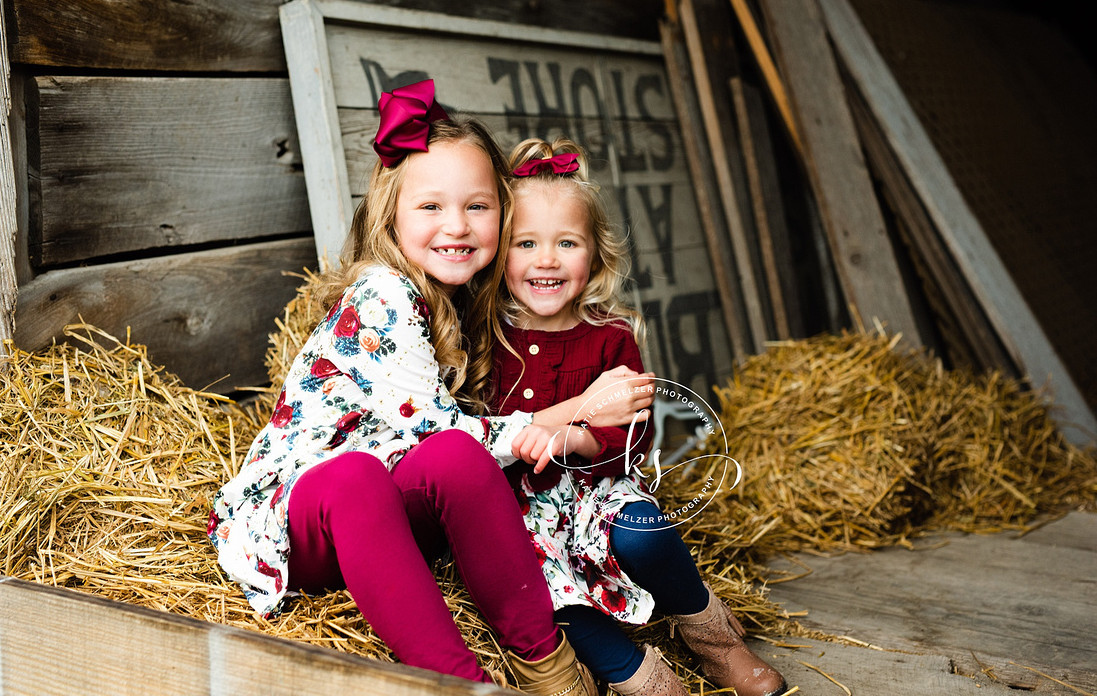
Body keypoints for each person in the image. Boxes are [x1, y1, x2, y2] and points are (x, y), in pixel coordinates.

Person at [206, 81, 652, 694]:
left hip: (396, 511)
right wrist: (579, 407)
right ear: (391, 215)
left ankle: (546, 663)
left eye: (477, 206)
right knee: (362, 473)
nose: (457, 226)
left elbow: (448, 450)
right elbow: (436, 425)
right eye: (431, 208)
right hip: (310, 518)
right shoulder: (384, 296)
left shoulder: (468, 301)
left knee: (454, 461)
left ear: (503, 211)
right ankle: (459, 683)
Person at [490, 137, 788, 696]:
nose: (546, 260)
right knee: (547, 593)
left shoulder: (610, 336)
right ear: (499, 253)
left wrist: (581, 441)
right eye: (525, 243)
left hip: (595, 485)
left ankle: (717, 644)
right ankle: (641, 678)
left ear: (596, 255)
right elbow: (477, 427)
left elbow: (636, 428)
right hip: (516, 509)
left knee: (643, 534)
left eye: (566, 243)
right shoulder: (489, 336)